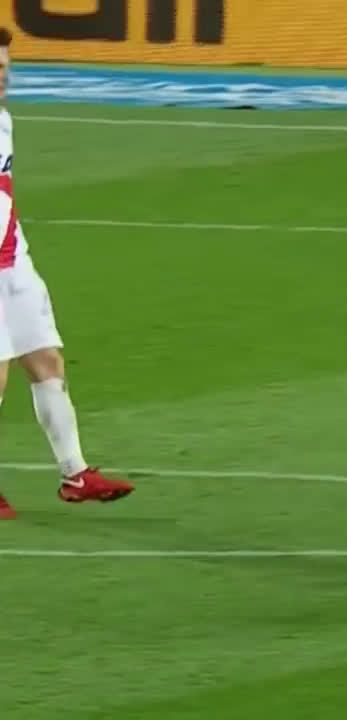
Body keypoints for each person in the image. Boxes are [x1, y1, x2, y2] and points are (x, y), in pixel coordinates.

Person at [0, 28, 134, 519]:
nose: (3, 76)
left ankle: (75, 474)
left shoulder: (3, 120)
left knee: (47, 361)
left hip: (13, 262)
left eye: (5, 67)